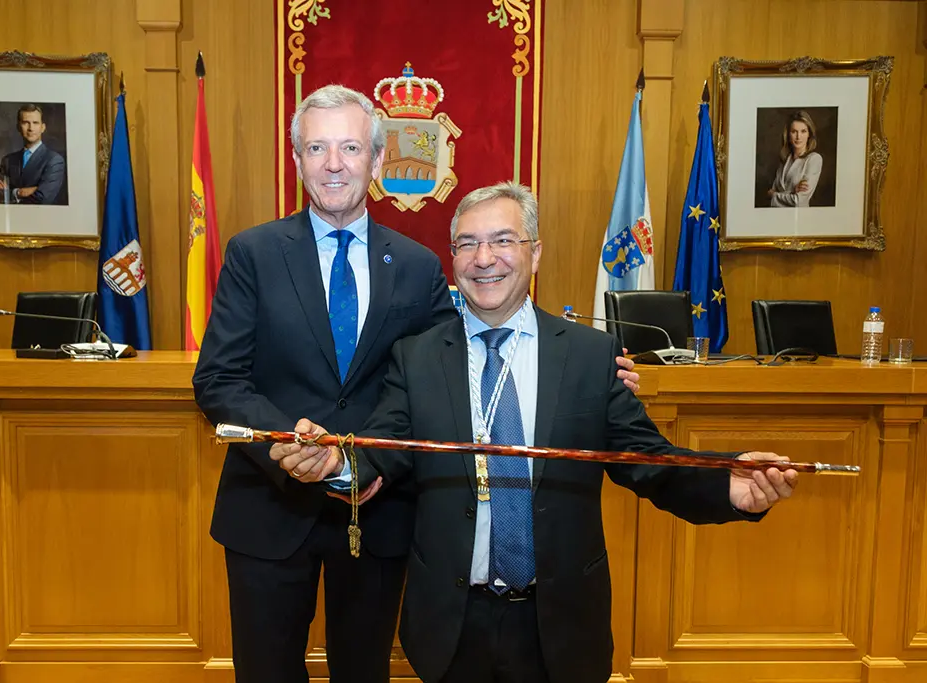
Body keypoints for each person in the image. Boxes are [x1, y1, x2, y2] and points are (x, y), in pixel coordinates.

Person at [193, 83, 646, 683]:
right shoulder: (252, 253)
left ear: (378, 160)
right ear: (297, 159)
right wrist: (290, 442)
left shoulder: (416, 264)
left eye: (351, 147)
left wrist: (590, 370)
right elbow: (217, 378)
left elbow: (457, 360)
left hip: (380, 513)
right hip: (268, 507)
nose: (334, 164)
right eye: (317, 148)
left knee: (365, 673)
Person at [277, 181, 799, 683]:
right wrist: (337, 464)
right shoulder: (417, 358)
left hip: (561, 624)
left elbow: (646, 461)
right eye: (467, 244)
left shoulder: (590, 356)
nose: (484, 258)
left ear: (536, 253)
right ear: (452, 258)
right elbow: (384, 449)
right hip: (451, 624)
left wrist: (725, 485)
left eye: (503, 240)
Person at [0, 104, 67, 205]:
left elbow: (42, 199)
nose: (31, 128)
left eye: (35, 123)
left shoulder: (54, 160)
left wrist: (9, 193)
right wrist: (19, 192)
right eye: (25, 123)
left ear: (43, 127)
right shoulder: (8, 160)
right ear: (18, 127)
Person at [767, 110, 822, 208]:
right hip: (776, 215)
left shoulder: (814, 159)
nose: (798, 137)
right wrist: (792, 192)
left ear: (809, 134)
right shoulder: (785, 160)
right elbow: (770, 195)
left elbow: (798, 201)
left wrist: (774, 195)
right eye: (794, 131)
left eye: (803, 131)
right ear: (788, 135)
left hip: (799, 216)